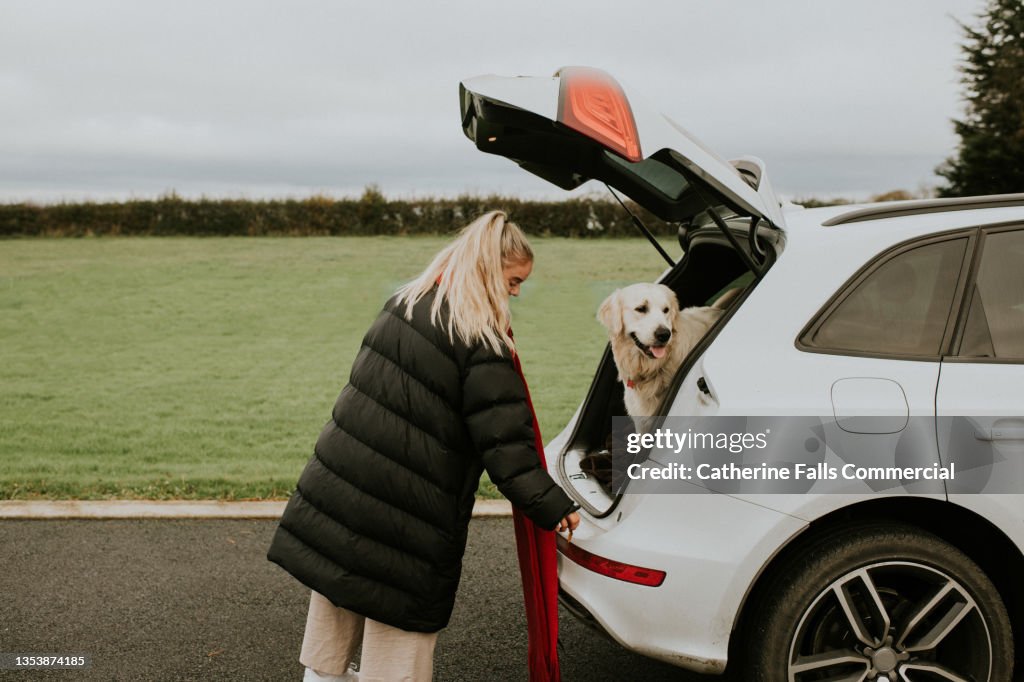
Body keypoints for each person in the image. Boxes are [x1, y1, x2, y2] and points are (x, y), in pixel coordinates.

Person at [267, 210, 581, 682]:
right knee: (400, 628)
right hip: (407, 511)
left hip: (346, 489)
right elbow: (506, 446)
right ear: (487, 269)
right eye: (514, 280)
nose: (517, 292)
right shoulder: (481, 337)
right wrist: (554, 506)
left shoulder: (407, 302)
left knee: (338, 601)